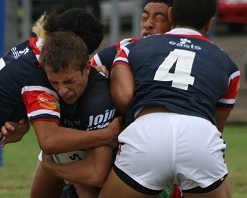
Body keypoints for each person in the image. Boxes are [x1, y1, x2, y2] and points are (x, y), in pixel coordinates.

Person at [0, 8, 121, 198]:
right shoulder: (39, 73)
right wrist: (106, 135)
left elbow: (4, 95)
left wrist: (19, 120)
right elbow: (49, 140)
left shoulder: (30, 48)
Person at [99, 0, 241, 197]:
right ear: (209, 23)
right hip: (199, 135)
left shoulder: (133, 48)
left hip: (147, 131)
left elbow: (124, 97)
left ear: (171, 15)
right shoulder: (228, 64)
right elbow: (217, 125)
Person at [90, 1, 182, 197]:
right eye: (145, 17)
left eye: (159, 18)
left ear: (175, 23)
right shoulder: (127, 47)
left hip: (173, 141)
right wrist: (94, 75)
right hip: (126, 141)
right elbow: (80, 72)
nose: (148, 24)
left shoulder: (190, 54)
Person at [27, 30, 116, 198]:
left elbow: (97, 174)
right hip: (69, 150)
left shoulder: (99, 99)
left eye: (69, 82)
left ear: (87, 68)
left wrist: (52, 168)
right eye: (55, 83)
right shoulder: (39, 82)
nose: (62, 91)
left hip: (108, 163)